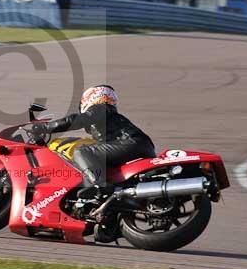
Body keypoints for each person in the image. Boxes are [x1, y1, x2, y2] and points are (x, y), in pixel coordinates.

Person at [26, 85, 155, 199]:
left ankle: (98, 185)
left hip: (131, 143)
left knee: (82, 152)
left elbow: (79, 119)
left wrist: (46, 127)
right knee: (93, 154)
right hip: (137, 145)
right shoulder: (108, 114)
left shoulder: (101, 108)